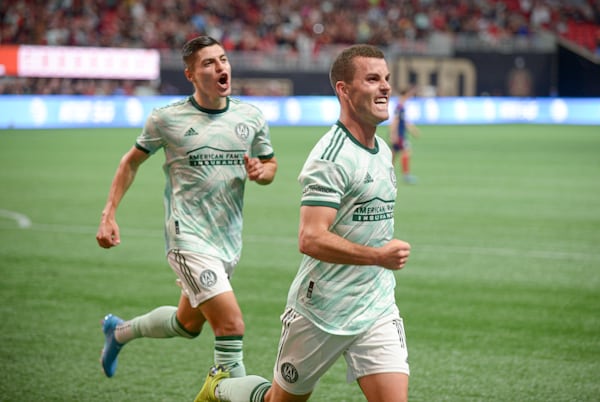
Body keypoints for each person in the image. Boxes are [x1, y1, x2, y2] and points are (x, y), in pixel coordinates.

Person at [195, 44, 412, 402]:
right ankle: (221, 388)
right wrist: (377, 257)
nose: (386, 87)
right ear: (344, 89)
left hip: (376, 306)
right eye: (373, 79)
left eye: (387, 79)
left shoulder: (383, 151)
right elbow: (310, 238)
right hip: (322, 310)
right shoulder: (330, 158)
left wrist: (378, 266)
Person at [95, 36, 278, 379]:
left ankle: (118, 332)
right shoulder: (167, 119)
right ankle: (227, 390)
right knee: (230, 324)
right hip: (187, 238)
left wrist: (261, 172)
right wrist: (109, 214)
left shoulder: (250, 116)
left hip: (227, 240)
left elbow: (270, 165)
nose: (220, 66)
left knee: (188, 323)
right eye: (208, 63)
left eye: (223, 59)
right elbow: (130, 163)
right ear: (191, 74)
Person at [389, 87, 420, 184]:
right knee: (406, 152)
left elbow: (404, 121)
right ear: (405, 95)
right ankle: (406, 175)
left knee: (393, 155)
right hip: (399, 135)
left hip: (399, 134)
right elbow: (395, 121)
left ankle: (386, 173)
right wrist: (393, 134)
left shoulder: (401, 105)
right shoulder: (399, 107)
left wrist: (413, 130)